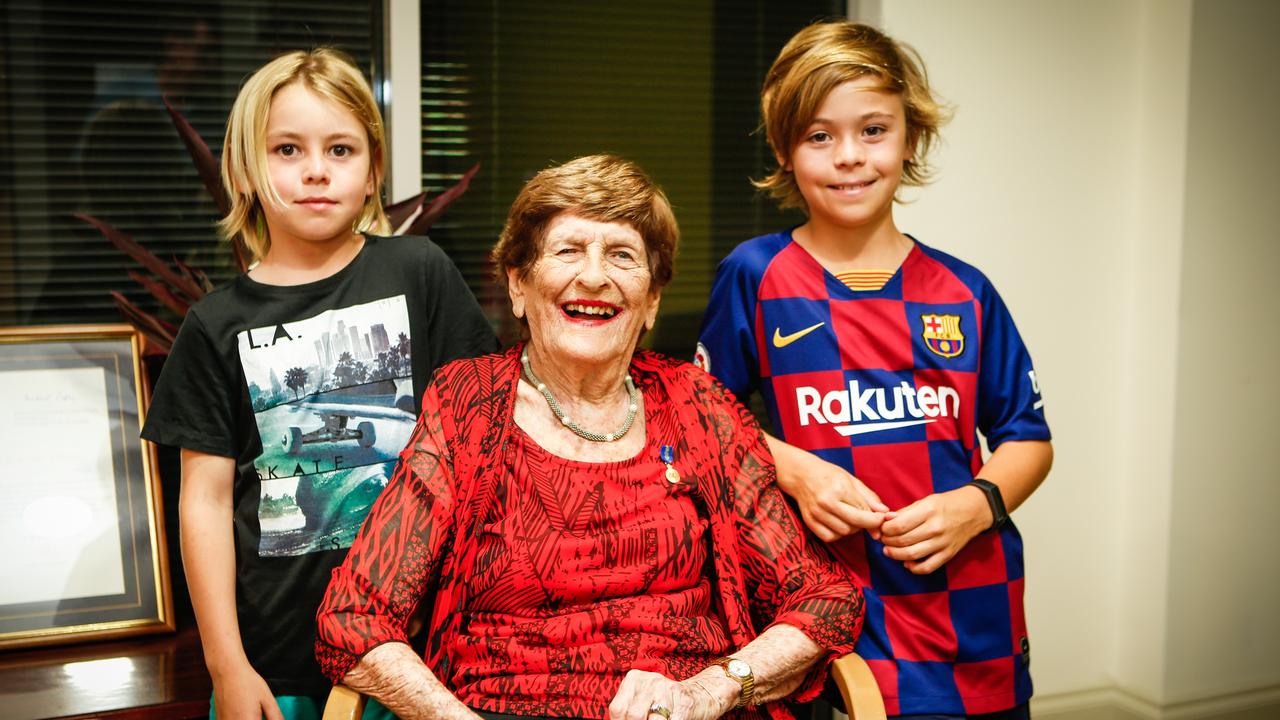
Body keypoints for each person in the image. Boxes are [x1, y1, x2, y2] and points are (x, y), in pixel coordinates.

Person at [315, 154, 864, 720]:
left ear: (651, 301)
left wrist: (712, 690)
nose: (595, 277)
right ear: (519, 286)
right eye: (569, 250)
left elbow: (822, 598)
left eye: (622, 255)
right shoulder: (468, 406)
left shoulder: (697, 406)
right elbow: (354, 617)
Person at [695, 21, 1054, 719]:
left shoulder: (964, 290)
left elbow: (1029, 439)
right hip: (831, 610)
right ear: (784, 151)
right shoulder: (757, 275)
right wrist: (795, 471)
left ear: (910, 139)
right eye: (819, 136)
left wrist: (975, 504)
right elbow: (702, 416)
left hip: (970, 613)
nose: (850, 157)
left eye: (873, 130)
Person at [141, 48, 497, 720]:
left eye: (340, 149)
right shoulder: (214, 325)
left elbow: (484, 438)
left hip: (424, 657)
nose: (315, 170)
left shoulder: (419, 272)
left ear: (374, 173)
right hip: (279, 667)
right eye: (286, 149)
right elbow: (206, 504)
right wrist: (228, 665)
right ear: (246, 170)